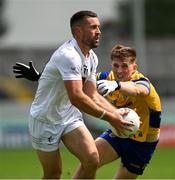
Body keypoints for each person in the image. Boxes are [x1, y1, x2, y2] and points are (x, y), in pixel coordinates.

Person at [13, 11, 134, 179]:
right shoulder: (68, 56)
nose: (98, 31)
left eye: (98, 27)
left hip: (68, 116)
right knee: (53, 174)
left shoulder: (91, 57)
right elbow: (77, 97)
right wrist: (110, 118)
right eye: (93, 27)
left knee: (92, 159)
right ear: (78, 32)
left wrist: (116, 113)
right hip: (45, 120)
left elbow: (91, 94)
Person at [94, 44, 162, 179]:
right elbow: (77, 80)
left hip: (142, 144)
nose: (119, 71)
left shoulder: (143, 82)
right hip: (118, 132)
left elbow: (138, 90)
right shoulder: (106, 78)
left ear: (134, 68)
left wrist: (118, 85)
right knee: (89, 160)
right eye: (115, 65)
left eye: (125, 66)